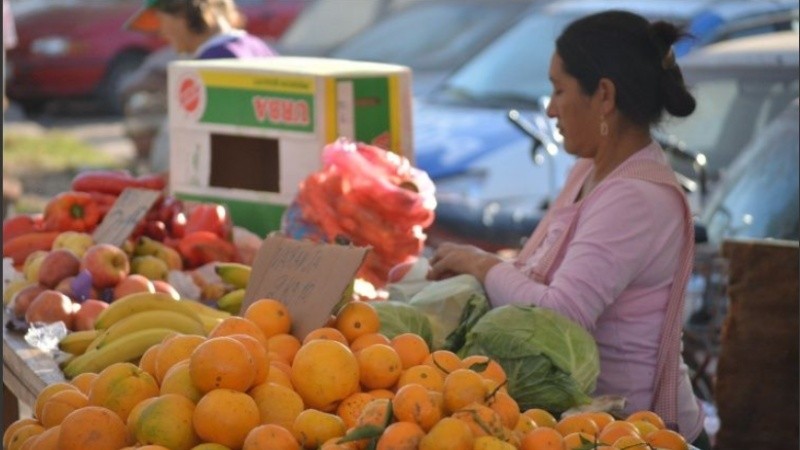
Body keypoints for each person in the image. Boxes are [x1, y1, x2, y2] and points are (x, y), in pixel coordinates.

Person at [427, 10, 710, 449]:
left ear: (604, 96)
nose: (552, 108)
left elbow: (562, 317)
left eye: (559, 90)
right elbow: (534, 276)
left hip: (634, 433)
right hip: (583, 423)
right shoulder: (589, 171)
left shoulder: (634, 198)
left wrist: (482, 265)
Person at [124, 0, 278, 172]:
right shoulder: (259, 48)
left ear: (183, 14)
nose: (161, 32)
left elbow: (206, 151)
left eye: (161, 20)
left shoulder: (211, 66)